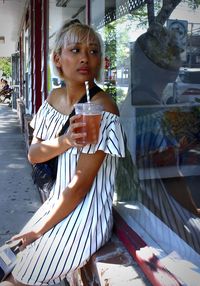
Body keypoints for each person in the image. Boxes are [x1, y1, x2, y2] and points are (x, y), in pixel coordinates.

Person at [1, 19, 125, 285]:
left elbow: (79, 189)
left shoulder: (103, 108)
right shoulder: (54, 98)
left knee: (16, 279)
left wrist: (37, 231)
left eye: (93, 51)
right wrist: (67, 140)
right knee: (6, 262)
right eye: (76, 50)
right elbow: (34, 154)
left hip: (85, 217)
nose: (85, 58)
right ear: (58, 59)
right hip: (55, 207)